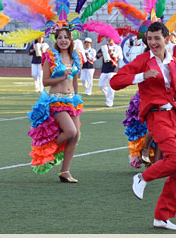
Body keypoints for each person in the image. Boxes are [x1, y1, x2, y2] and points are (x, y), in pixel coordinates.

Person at [110, 22, 176, 230]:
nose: (152, 42)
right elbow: (116, 81)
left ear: (167, 39)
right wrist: (142, 76)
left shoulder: (175, 63)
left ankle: (162, 217)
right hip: (156, 118)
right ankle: (141, 178)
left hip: (174, 118)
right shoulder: (143, 61)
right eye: (149, 39)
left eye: (156, 38)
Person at [28, 27, 83, 182]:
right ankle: (46, 150)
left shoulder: (75, 56)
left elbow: (75, 79)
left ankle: (65, 171)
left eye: (66, 37)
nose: (63, 40)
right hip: (56, 100)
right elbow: (45, 81)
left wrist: (76, 96)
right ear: (56, 39)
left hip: (72, 100)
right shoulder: (50, 56)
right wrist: (61, 76)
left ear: (71, 39)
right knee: (70, 131)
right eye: (60, 37)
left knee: (76, 135)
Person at [96, 38, 123, 107]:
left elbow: (120, 57)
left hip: (112, 69)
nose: (109, 39)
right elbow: (97, 56)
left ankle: (109, 102)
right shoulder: (104, 47)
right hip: (104, 68)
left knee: (111, 86)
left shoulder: (117, 47)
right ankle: (108, 96)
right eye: (108, 37)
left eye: (111, 37)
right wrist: (99, 54)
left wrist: (113, 53)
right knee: (101, 85)